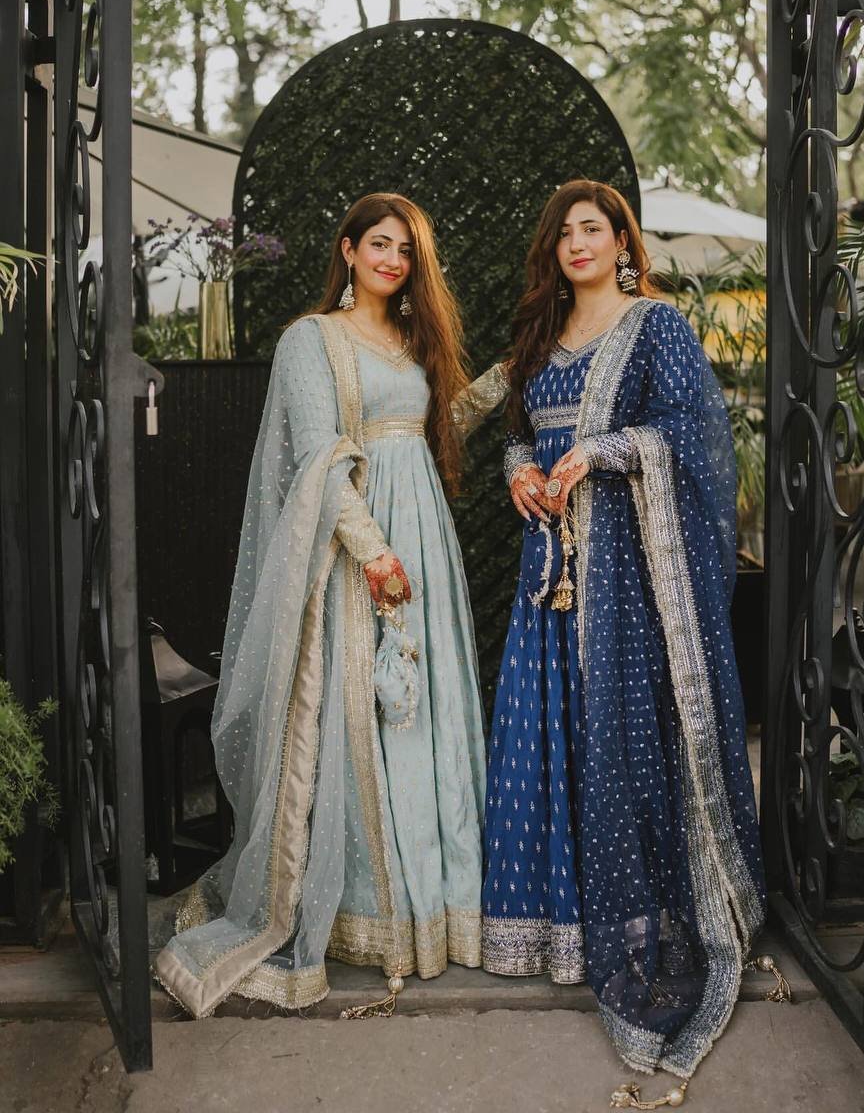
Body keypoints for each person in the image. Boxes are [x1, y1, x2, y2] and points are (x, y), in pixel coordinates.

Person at [156, 193, 507, 1018]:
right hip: (359, 551)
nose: (393, 260)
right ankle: (368, 912)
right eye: (379, 244)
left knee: (427, 709)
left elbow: (435, 428)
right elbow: (319, 455)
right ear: (348, 250)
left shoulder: (413, 341)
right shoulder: (311, 340)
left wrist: (507, 376)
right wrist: (373, 550)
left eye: (406, 251)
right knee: (365, 713)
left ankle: (441, 907)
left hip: (427, 540)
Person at [481, 179, 765, 1086]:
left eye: (592, 228)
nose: (578, 243)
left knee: (620, 741)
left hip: (627, 585)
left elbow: (692, 435)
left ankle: (639, 923)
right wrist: (520, 470)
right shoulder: (540, 337)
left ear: (621, 242)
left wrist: (605, 451)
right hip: (548, 576)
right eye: (564, 232)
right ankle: (552, 930)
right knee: (542, 737)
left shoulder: (656, 327)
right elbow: (517, 430)